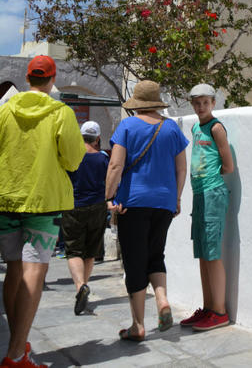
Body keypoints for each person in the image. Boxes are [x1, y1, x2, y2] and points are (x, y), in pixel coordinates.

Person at [0, 55, 86, 368]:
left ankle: (17, 344)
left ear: (28, 78)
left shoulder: (5, 109)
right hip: (43, 201)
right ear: (51, 79)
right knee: (34, 271)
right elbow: (74, 158)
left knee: (13, 269)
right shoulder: (61, 112)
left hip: (6, 199)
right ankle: (15, 356)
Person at [105, 80, 188, 342]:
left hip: (133, 202)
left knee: (134, 261)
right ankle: (162, 299)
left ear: (137, 103)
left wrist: (109, 196)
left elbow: (116, 166)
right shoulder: (171, 127)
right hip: (164, 202)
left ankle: (138, 325)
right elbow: (181, 168)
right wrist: (176, 198)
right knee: (155, 254)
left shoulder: (128, 126)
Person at [180, 83, 234, 333]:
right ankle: (208, 307)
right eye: (197, 103)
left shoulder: (216, 128)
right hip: (199, 195)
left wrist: (211, 180)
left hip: (213, 193)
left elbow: (228, 166)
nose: (201, 107)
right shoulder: (195, 127)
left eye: (205, 102)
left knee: (212, 253)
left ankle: (220, 312)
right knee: (202, 253)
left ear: (213, 103)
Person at [61, 120, 109, 315]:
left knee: (73, 251)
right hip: (97, 207)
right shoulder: (103, 159)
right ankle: (84, 286)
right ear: (98, 138)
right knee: (90, 251)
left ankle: (80, 286)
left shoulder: (71, 158)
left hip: (74, 206)